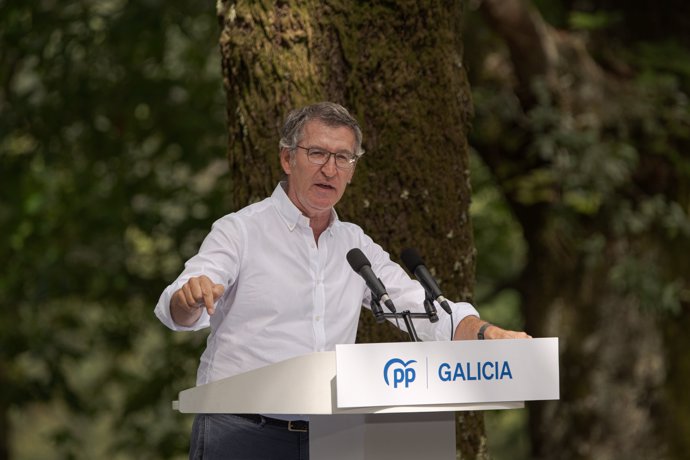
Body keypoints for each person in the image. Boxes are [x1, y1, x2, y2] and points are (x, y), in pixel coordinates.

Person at [154, 101, 530, 460]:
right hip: (241, 432)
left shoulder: (355, 244)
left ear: (352, 169)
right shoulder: (240, 231)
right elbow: (180, 306)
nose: (329, 170)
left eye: (343, 158)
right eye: (317, 154)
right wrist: (189, 298)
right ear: (287, 159)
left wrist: (486, 334)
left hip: (331, 438)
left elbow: (423, 309)